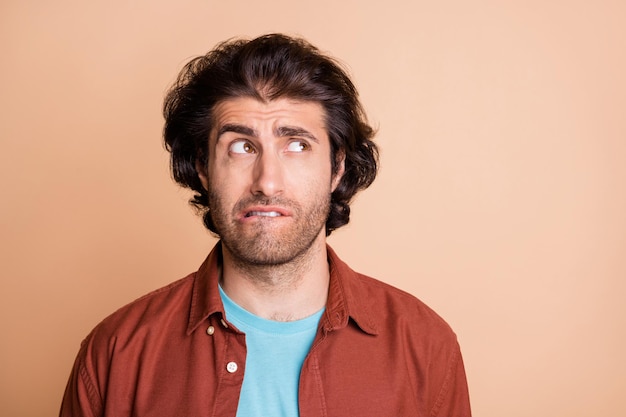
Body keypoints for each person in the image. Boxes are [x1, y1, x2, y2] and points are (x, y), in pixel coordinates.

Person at [60, 33, 471, 417]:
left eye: (296, 145)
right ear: (203, 167)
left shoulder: (426, 347)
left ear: (337, 167)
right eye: (241, 146)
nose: (267, 181)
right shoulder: (115, 353)